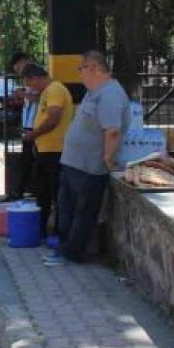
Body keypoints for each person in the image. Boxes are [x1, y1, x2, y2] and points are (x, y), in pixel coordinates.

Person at [45, 51, 131, 266]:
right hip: (73, 163)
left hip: (90, 167)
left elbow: (112, 131)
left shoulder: (110, 94)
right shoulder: (94, 92)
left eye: (81, 69)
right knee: (66, 209)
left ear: (93, 68)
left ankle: (73, 253)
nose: (80, 74)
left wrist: (108, 158)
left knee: (82, 213)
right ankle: (64, 249)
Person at [20, 64, 73, 239]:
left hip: (56, 151)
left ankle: (59, 233)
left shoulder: (55, 89)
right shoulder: (47, 92)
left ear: (34, 78)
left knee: (57, 194)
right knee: (43, 193)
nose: (31, 88)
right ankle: (42, 229)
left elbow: (54, 118)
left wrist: (33, 134)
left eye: (30, 83)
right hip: (45, 151)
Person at [9, 53, 37, 200]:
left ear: (24, 61)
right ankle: (21, 191)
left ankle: (20, 192)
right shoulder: (28, 79)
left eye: (18, 67)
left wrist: (23, 94)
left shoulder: (37, 76)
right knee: (27, 160)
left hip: (36, 126)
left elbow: (39, 97)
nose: (19, 72)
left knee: (30, 160)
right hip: (28, 125)